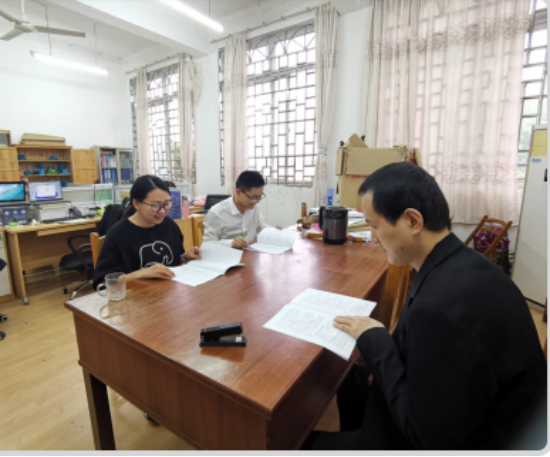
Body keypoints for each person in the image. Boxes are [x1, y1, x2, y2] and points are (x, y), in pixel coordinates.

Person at [303, 162, 547, 450]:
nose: (374, 237)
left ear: (413, 221)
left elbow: (425, 435)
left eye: (375, 225)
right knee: (345, 381)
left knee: (308, 443)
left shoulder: (439, 309)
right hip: (465, 408)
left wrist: (377, 339)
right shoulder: (464, 263)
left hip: (475, 440)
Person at [93, 175, 201, 288]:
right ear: (136, 204)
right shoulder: (117, 234)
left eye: (166, 204)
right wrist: (141, 273)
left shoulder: (170, 226)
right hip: (137, 295)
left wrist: (185, 257)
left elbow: (174, 261)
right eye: (155, 205)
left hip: (169, 292)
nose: (162, 211)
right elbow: (102, 283)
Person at [203, 170, 273, 249]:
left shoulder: (253, 207)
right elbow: (207, 243)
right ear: (238, 192)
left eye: (259, 197)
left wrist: (276, 232)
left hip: (249, 253)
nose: (257, 201)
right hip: (227, 254)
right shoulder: (217, 213)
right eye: (253, 197)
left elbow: (260, 226)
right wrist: (231, 243)